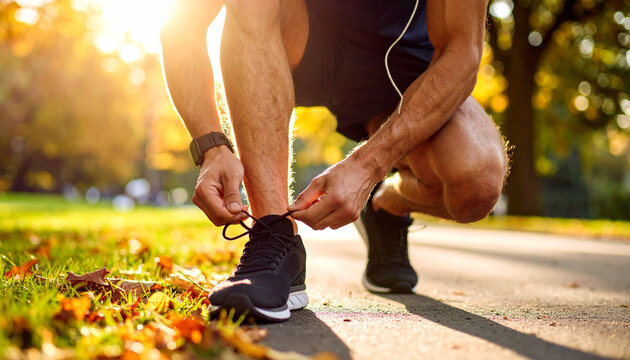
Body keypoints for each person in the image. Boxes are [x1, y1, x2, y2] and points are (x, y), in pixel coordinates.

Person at [160, 0, 508, 322]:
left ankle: (387, 206)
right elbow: (181, 26)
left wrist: (369, 166)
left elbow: (462, 53)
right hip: (303, 36)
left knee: (476, 184)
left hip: (407, 62)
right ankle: (275, 236)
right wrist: (212, 147)